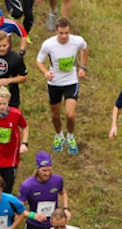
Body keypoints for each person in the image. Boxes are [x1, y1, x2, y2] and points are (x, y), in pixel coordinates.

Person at [34, 18, 87, 156]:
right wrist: (46, 72)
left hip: (71, 81)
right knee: (55, 114)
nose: (64, 36)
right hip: (54, 83)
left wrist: (83, 67)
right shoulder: (48, 44)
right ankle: (58, 135)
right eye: (61, 33)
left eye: (67, 33)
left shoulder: (77, 41)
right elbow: (39, 61)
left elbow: (85, 48)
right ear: (56, 30)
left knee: (70, 114)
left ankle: (70, 136)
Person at [17, 151, 69, 229]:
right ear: (38, 169)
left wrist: (66, 208)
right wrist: (33, 215)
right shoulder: (27, 185)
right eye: (44, 170)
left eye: (49, 170)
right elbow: (19, 208)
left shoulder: (57, 180)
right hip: (34, 225)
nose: (47, 173)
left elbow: (63, 192)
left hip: (53, 224)